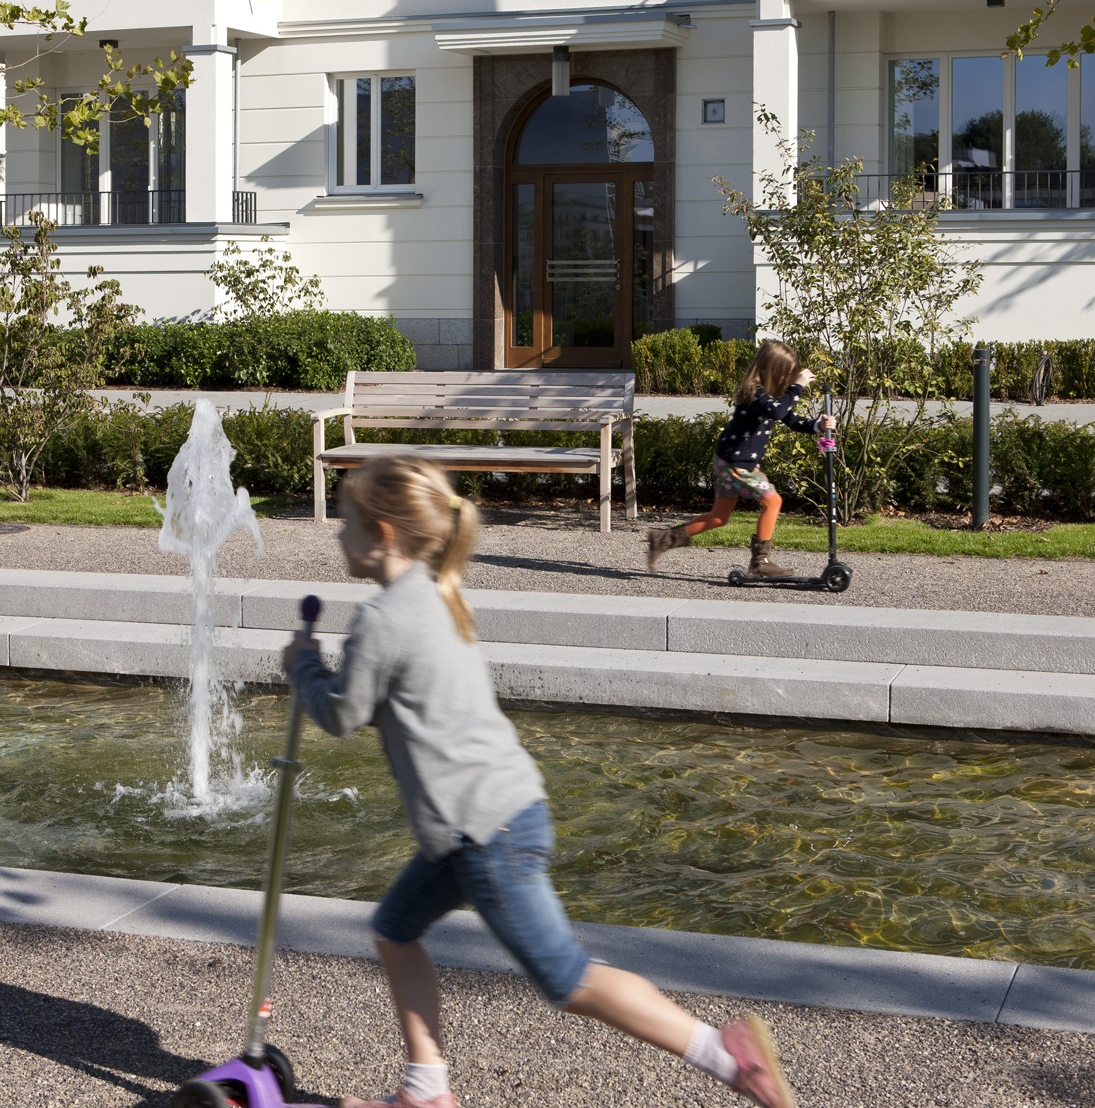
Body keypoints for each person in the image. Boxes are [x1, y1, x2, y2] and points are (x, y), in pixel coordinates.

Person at [281, 454, 797, 1108]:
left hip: (483, 833)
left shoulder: (382, 616)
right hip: (482, 821)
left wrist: (302, 667)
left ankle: (724, 1052)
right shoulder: (439, 590)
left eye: (346, 521)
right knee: (394, 927)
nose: (337, 534)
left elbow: (340, 713)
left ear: (381, 533)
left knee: (565, 976)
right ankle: (426, 1089)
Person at [647, 338, 835, 579]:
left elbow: (790, 419)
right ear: (772, 370)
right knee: (773, 501)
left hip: (731, 461)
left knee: (718, 517)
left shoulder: (770, 396)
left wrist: (818, 425)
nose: (788, 379)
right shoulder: (754, 392)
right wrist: (797, 386)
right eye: (785, 374)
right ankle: (760, 562)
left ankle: (663, 539)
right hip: (737, 464)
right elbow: (777, 411)